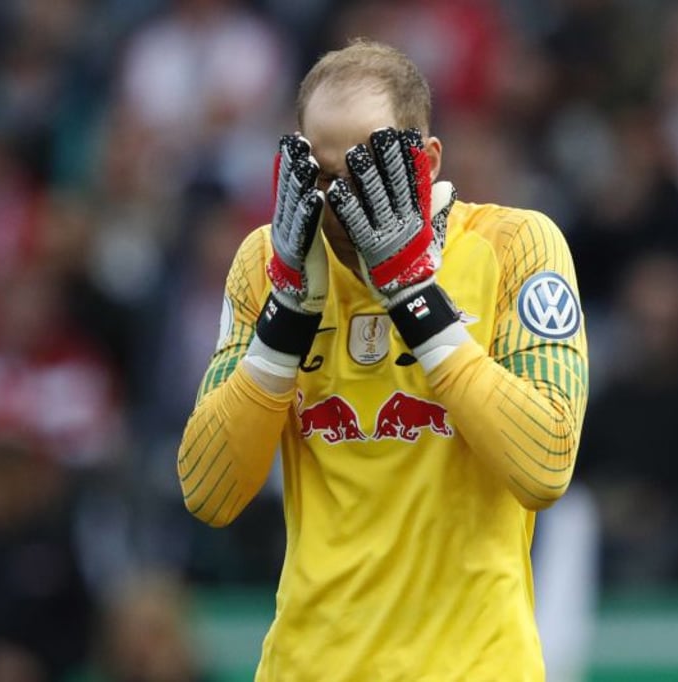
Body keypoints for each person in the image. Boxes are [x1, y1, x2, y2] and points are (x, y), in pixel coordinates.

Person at [177, 39, 588, 680]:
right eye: (323, 175)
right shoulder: (265, 265)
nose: (344, 200)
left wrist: (415, 296)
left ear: (426, 160)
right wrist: (283, 322)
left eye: (367, 169)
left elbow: (545, 465)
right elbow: (209, 492)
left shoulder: (517, 246)